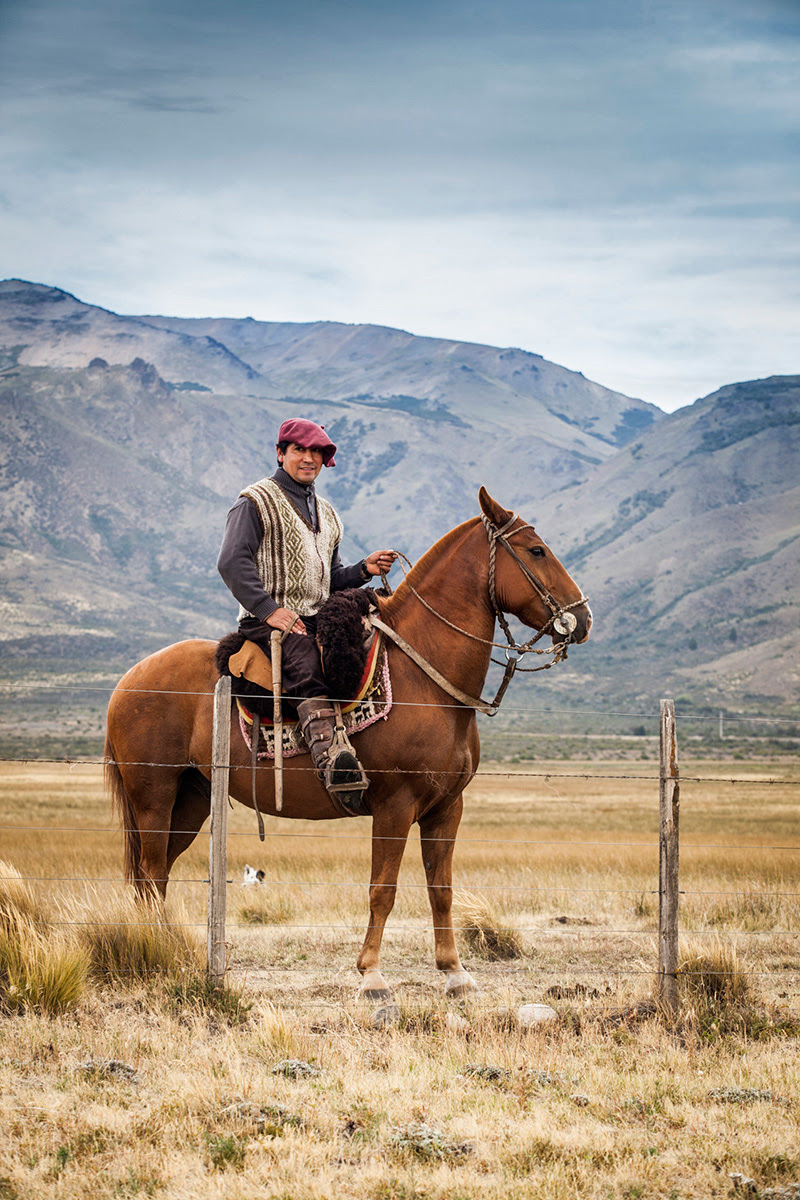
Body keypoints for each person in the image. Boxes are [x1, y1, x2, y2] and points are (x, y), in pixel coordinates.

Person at [217, 417, 396, 804]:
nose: (308, 458)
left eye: (316, 451)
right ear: (281, 453)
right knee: (306, 664)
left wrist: (364, 569)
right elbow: (232, 561)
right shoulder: (255, 501)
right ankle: (332, 761)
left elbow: (328, 578)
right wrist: (269, 610)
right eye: (299, 449)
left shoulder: (328, 514)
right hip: (268, 623)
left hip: (316, 614)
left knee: (358, 651)